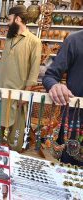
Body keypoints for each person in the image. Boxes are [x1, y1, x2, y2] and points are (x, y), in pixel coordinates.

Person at [0, 6, 42, 151]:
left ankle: (13, 156)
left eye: (9, 19)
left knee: (15, 128)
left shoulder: (34, 42)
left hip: (17, 91)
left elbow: (34, 70)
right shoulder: (9, 38)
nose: (7, 22)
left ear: (18, 19)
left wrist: (26, 93)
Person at [43, 30, 83, 166]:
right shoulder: (74, 41)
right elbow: (50, 76)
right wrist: (54, 86)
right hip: (74, 126)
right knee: (70, 173)